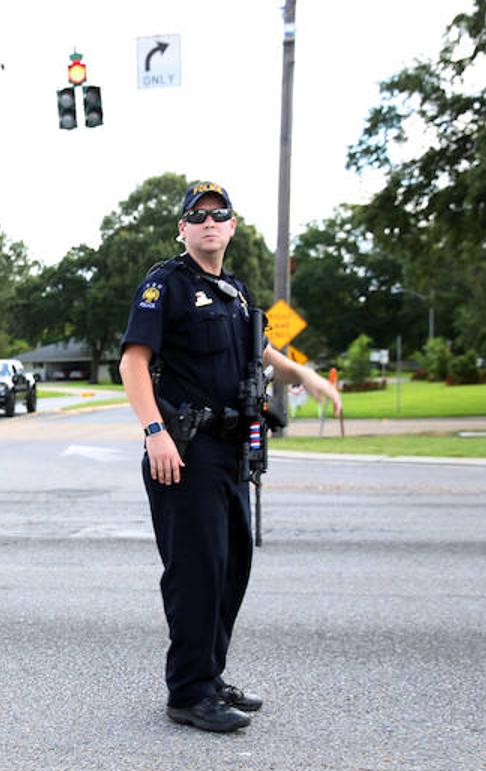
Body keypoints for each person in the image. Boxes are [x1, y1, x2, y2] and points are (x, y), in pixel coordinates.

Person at [118, 181, 341, 733]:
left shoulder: (237, 294)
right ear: (183, 228)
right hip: (184, 451)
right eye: (198, 215)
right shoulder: (164, 285)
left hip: (232, 450)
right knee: (197, 571)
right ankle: (188, 692)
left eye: (219, 215)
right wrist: (154, 432)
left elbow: (259, 350)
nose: (209, 222)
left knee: (231, 567)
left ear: (233, 226)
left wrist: (306, 375)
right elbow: (132, 363)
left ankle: (211, 674)